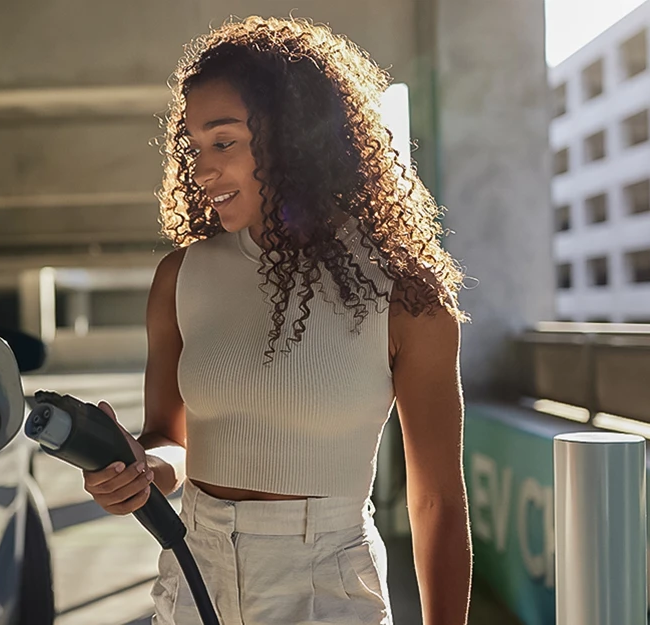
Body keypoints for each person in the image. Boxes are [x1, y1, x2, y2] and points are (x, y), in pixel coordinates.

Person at [81, 16, 472, 625]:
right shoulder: (178, 280)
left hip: (329, 591)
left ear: (294, 135)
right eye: (195, 147)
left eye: (225, 141)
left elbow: (437, 502)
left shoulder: (404, 295)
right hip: (196, 580)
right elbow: (172, 438)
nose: (203, 170)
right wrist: (143, 468)